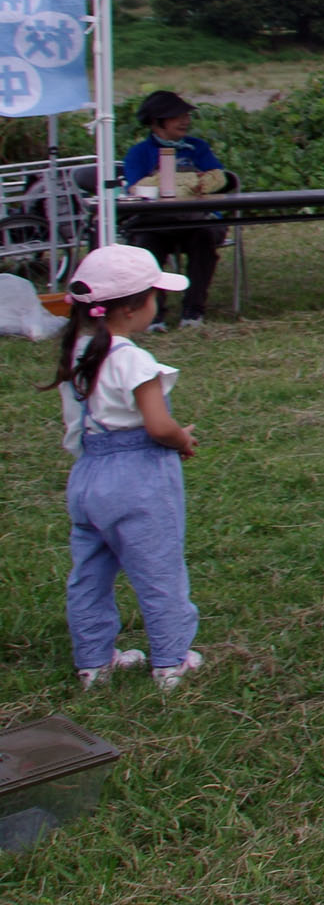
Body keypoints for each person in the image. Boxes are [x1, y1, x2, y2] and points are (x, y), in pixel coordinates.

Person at [45, 246, 203, 691]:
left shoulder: (78, 351)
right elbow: (156, 425)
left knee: (89, 574)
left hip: (87, 477)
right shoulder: (133, 359)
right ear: (135, 307)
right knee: (158, 570)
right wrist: (181, 437)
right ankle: (171, 660)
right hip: (137, 480)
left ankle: (94, 661)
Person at [120, 90, 227, 330]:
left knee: (204, 240)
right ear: (157, 122)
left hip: (197, 220)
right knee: (147, 246)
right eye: (177, 116)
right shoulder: (139, 153)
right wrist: (176, 181)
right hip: (156, 222)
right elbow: (135, 188)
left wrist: (204, 182)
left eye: (186, 115)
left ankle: (193, 311)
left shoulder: (198, 148)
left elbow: (219, 178)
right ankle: (154, 314)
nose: (185, 121)